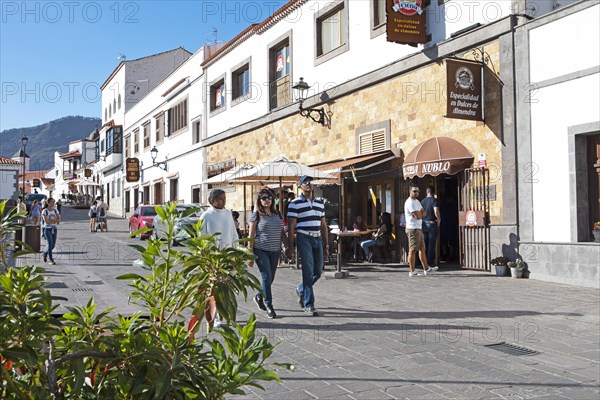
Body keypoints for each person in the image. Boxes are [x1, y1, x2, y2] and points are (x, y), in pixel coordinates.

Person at [286, 175, 329, 317]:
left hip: (317, 238)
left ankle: (301, 289)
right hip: (304, 237)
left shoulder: (319, 203)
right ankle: (309, 304)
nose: (308, 184)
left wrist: (326, 244)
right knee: (307, 270)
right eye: (305, 182)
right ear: (300, 186)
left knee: (318, 271)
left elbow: (323, 225)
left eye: (310, 182)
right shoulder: (294, 203)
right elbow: (291, 226)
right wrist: (291, 246)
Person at [200, 189, 240, 328]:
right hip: (213, 258)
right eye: (220, 199)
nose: (223, 201)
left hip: (228, 256)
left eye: (224, 198)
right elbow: (201, 237)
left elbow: (234, 233)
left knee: (226, 287)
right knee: (214, 288)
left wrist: (236, 250)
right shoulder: (206, 216)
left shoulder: (228, 213)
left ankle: (224, 314)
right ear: (212, 201)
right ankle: (214, 316)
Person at [247, 188, 286, 319]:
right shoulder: (256, 215)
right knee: (265, 276)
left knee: (271, 278)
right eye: (263, 198)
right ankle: (269, 304)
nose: (267, 200)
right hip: (260, 249)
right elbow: (251, 235)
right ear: (259, 200)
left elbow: (281, 232)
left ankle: (259, 296)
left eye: (269, 197)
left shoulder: (278, 214)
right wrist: (249, 254)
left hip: (275, 250)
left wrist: (287, 245)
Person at [404, 185, 438, 277]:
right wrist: (420, 214)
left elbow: (424, 212)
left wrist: (420, 214)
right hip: (412, 229)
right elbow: (418, 215)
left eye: (418, 191)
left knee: (422, 249)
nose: (416, 193)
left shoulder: (418, 201)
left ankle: (426, 268)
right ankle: (412, 271)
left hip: (419, 228)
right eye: (414, 191)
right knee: (412, 250)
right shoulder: (410, 202)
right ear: (410, 191)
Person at [421, 186, 441, 268]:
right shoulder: (434, 200)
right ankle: (429, 262)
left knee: (424, 244)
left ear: (427, 192)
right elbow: (436, 210)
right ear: (433, 193)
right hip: (432, 223)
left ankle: (423, 262)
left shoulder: (422, 201)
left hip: (424, 223)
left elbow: (421, 212)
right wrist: (439, 219)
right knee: (431, 244)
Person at [41, 198, 61, 265]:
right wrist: (54, 220)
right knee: (50, 244)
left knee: (53, 245)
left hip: (54, 229)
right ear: (48, 203)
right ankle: (51, 259)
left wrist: (53, 221)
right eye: (52, 202)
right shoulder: (45, 211)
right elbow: (47, 221)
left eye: (54, 202)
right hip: (47, 229)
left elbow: (59, 220)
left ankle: (45, 253)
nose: (53, 204)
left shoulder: (55, 210)